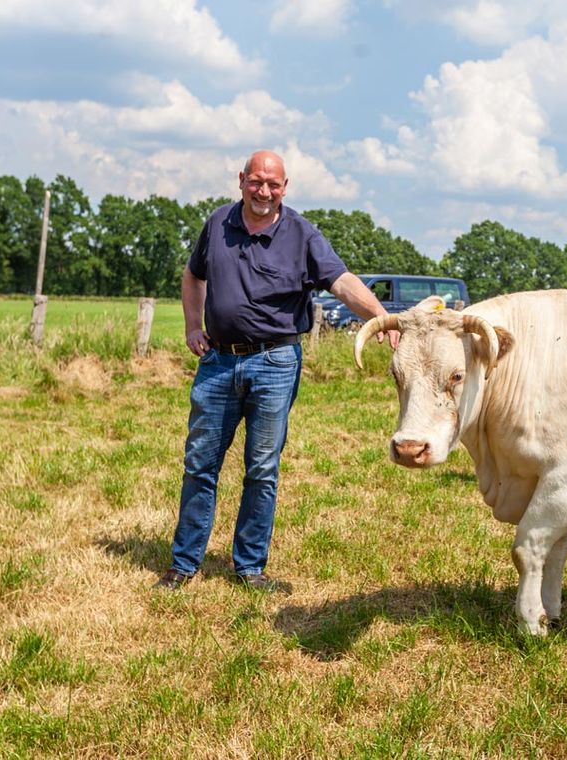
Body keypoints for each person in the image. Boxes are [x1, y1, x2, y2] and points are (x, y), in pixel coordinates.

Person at [155, 149, 398, 591]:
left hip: (275, 362)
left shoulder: (302, 234)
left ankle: (249, 567)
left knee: (261, 467)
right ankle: (183, 564)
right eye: (256, 182)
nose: (263, 191)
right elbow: (194, 276)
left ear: (284, 188)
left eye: (273, 184)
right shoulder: (217, 224)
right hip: (218, 362)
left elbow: (341, 282)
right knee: (199, 464)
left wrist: (379, 317)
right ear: (241, 180)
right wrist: (193, 324)